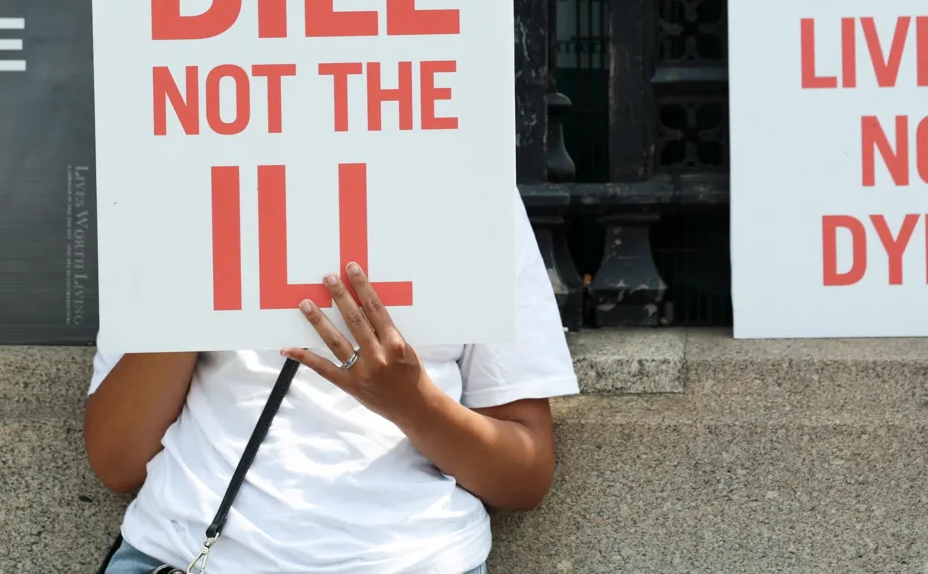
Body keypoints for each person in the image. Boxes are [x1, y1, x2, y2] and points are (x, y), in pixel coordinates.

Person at [85, 190, 580, 574]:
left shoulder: (467, 184)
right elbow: (118, 461)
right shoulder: (172, 187)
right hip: (185, 555)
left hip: (416, 559)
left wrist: (413, 405)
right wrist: (195, 276)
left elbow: (525, 476)